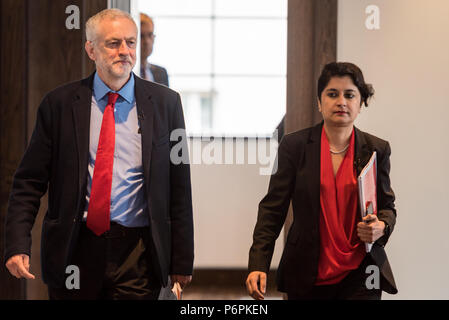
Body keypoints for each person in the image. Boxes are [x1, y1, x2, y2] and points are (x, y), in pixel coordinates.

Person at [4, 8, 193, 300]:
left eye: (130, 43)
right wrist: (17, 244)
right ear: (91, 49)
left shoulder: (166, 104)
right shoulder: (59, 105)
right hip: (75, 249)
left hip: (139, 254)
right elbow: (28, 182)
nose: (125, 51)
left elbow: (179, 186)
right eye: (113, 43)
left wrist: (182, 261)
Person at [246, 62, 397, 300]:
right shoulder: (294, 146)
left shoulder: (376, 149)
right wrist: (258, 263)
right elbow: (272, 210)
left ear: (360, 103)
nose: (341, 102)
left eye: (350, 95)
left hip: (361, 274)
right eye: (332, 94)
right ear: (319, 102)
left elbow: (388, 207)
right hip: (307, 272)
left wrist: (381, 227)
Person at [140, 13, 169, 86]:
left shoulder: (161, 72)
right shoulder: (126, 73)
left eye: (150, 35)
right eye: (141, 36)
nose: (147, 41)